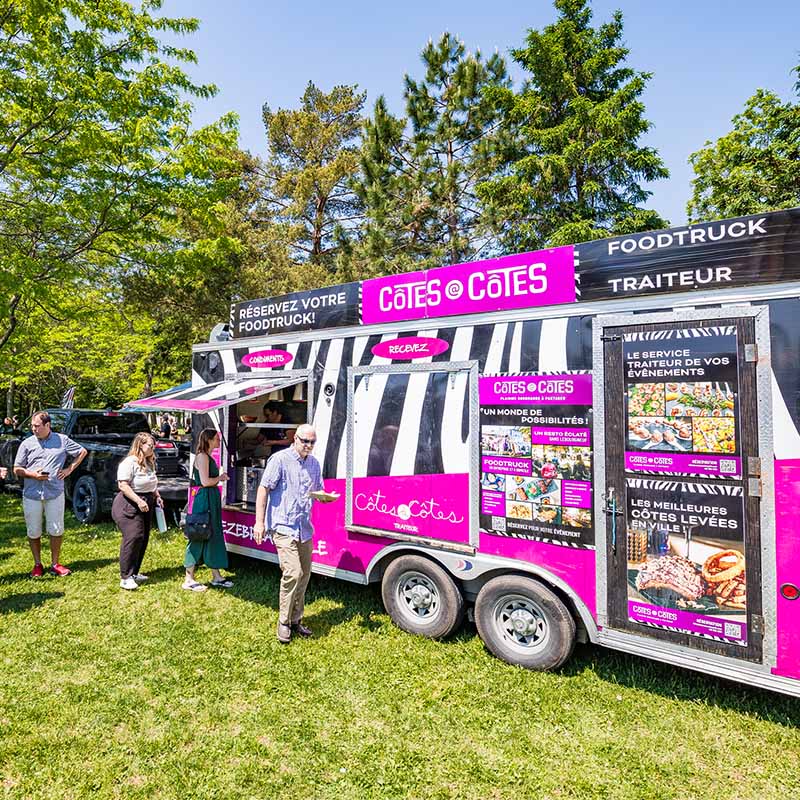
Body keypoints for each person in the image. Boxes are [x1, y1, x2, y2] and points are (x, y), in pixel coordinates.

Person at [253, 424, 338, 643]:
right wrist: (259, 522)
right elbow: (263, 489)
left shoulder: (314, 464)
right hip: (282, 526)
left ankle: (296, 620)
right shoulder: (280, 460)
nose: (309, 446)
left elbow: (316, 491)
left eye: (312, 442)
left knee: (305, 574)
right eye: (305, 441)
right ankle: (283, 622)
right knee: (293, 572)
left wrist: (326, 497)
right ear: (295, 439)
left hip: (304, 528)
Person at [13, 411, 87, 577]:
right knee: (33, 531)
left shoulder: (62, 440)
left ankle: (55, 563)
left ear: (47, 425)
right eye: (32, 426)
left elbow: (82, 452)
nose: (34, 429)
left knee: (56, 529)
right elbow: (16, 468)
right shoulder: (27, 443)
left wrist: (69, 469)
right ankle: (37, 564)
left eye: (37, 426)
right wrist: (33, 474)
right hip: (32, 493)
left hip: (54, 492)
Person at [183, 428, 232, 592]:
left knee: (213, 534)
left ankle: (216, 576)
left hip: (210, 498)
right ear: (209, 439)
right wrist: (220, 478)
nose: (219, 441)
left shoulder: (207, 456)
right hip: (204, 499)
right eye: (216, 438)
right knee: (199, 533)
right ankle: (188, 578)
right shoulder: (202, 456)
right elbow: (205, 481)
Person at [112, 432, 162, 591]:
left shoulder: (149, 461)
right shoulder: (129, 462)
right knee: (133, 537)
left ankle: (134, 572)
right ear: (140, 445)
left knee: (143, 537)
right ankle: (125, 576)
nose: (153, 448)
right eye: (150, 445)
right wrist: (139, 500)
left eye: (154, 445)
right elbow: (123, 485)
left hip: (146, 503)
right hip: (128, 504)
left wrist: (157, 496)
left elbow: (152, 483)